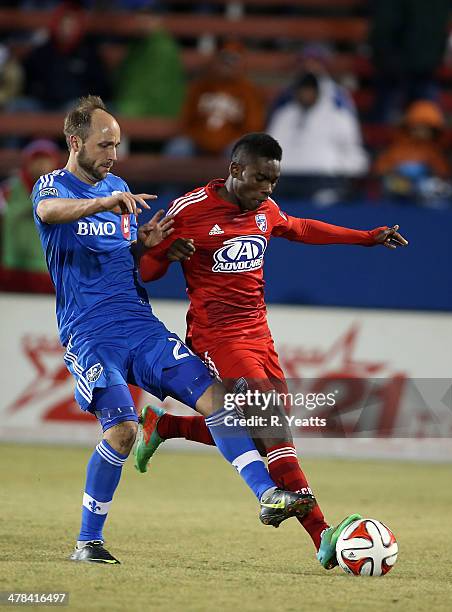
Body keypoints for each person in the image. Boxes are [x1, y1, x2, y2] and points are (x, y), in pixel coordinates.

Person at [32, 97, 313, 565]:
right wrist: (99, 201)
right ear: (75, 142)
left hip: (140, 325)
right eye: (104, 145)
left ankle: (267, 495)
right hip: (91, 332)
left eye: (118, 146)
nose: (113, 156)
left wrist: (149, 247)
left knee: (220, 400)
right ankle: (88, 542)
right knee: (122, 432)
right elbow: (48, 214)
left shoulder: (119, 186)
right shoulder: (54, 185)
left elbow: (129, 263)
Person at [135, 132, 408, 570]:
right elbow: (147, 270)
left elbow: (301, 228)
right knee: (274, 429)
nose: (267, 190)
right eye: (261, 179)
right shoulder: (189, 210)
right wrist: (164, 254)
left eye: (273, 182)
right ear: (236, 170)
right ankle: (323, 534)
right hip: (217, 338)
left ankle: (165, 426)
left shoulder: (265, 210)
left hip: (259, 334)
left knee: (265, 434)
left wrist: (365, 237)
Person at [266, 72, 368, 204]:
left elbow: (353, 151)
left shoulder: (338, 117)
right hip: (286, 178)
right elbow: (270, 148)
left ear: (318, 92)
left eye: (309, 91)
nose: (305, 95)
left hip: (323, 177)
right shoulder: (284, 115)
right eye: (302, 91)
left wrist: (347, 172)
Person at [165, 41, 265, 157]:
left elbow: (253, 127)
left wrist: (224, 139)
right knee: (178, 147)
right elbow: (186, 120)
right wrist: (201, 138)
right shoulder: (200, 86)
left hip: (229, 145)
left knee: (240, 151)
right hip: (197, 144)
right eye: (224, 59)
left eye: (232, 60)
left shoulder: (248, 91)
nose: (227, 65)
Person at [0, 139, 59, 293]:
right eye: (36, 160)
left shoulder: (62, 191)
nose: (41, 165)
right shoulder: (9, 189)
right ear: (27, 163)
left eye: (45, 161)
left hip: (44, 270)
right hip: (12, 268)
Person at [373, 100, 452, 205]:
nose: (420, 132)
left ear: (433, 131)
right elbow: (382, 168)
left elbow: (442, 172)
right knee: (391, 184)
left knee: (437, 186)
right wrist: (393, 173)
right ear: (409, 127)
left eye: (425, 129)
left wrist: (433, 175)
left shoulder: (433, 150)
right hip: (400, 187)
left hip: (424, 190)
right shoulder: (399, 147)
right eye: (417, 128)